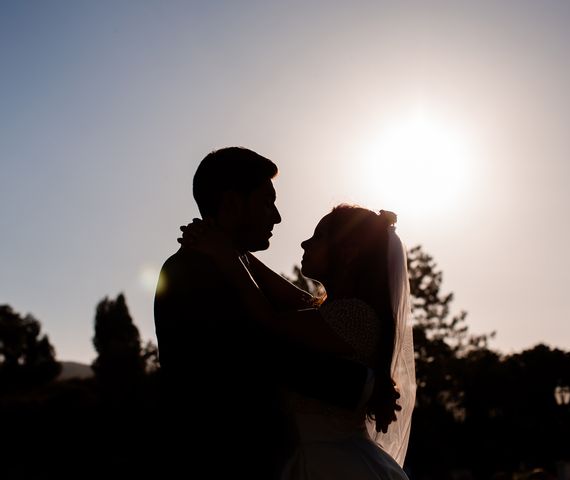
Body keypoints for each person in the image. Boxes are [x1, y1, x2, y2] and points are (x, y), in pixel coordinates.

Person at [153, 147, 371, 478]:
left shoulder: (231, 268)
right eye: (267, 202)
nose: (277, 216)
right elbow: (266, 353)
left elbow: (306, 309)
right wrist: (368, 387)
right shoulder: (195, 273)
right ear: (232, 204)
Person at [180, 203, 417, 479]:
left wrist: (224, 254)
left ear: (349, 251)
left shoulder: (354, 315)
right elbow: (288, 295)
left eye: (318, 237)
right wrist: (233, 248)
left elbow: (268, 318)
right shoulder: (339, 312)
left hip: (335, 465)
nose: (304, 243)